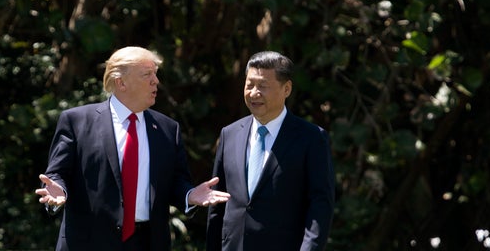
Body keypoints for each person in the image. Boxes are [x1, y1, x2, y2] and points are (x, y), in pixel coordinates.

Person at [36, 46, 230, 251]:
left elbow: (176, 181)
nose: (156, 81)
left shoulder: (167, 128)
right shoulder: (77, 121)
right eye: (147, 74)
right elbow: (57, 173)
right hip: (89, 241)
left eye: (155, 74)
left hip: (148, 242)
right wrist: (58, 192)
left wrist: (189, 195)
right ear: (121, 82)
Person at [206, 51, 335, 251]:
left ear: (287, 89)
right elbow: (218, 203)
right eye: (249, 85)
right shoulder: (229, 134)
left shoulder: (311, 138)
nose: (254, 93)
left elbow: (320, 206)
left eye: (263, 86)